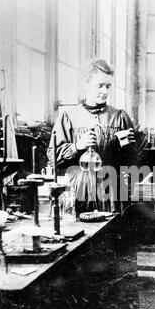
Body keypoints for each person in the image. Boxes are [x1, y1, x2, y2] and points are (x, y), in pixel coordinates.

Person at [47, 58, 137, 215]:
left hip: (111, 194)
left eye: (108, 86)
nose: (105, 91)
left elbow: (131, 164)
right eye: (100, 85)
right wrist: (77, 146)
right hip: (78, 193)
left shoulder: (119, 117)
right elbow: (52, 158)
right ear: (85, 85)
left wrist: (125, 146)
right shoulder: (68, 117)